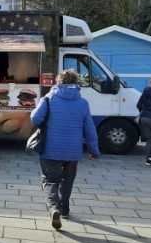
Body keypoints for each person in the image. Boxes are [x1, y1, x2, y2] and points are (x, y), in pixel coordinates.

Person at [30, 69, 100, 230]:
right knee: (68, 180)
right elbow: (90, 129)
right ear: (76, 83)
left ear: (59, 81)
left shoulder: (49, 98)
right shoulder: (83, 102)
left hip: (50, 149)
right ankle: (65, 208)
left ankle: (54, 208)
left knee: (50, 180)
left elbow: (35, 119)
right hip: (73, 151)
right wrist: (94, 150)